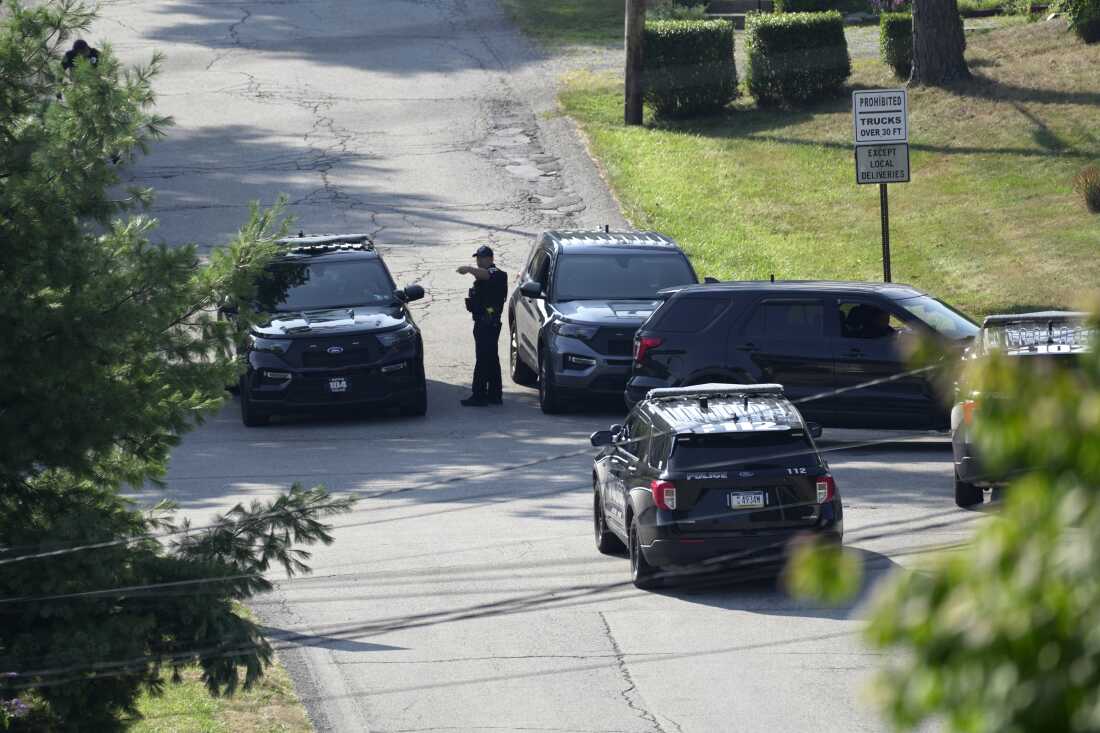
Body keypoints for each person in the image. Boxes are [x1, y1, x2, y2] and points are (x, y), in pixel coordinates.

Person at [457, 245, 507, 407]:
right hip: (482, 323)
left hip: (489, 324)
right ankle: (494, 394)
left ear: (491, 259)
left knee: (483, 359)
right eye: (477, 258)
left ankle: (479, 395)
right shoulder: (483, 276)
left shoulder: (496, 274)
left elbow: (487, 275)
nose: (478, 260)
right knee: (491, 359)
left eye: (482, 257)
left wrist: (468, 269)